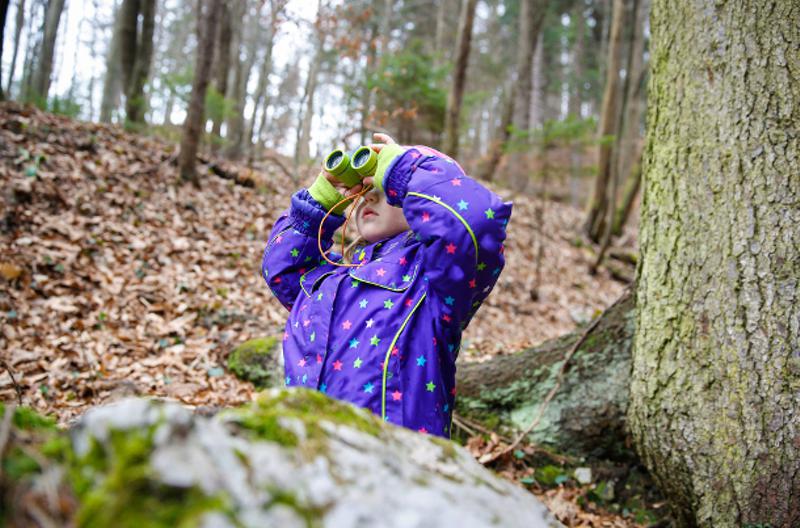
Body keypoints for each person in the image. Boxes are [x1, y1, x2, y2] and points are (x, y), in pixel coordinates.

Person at [261, 133, 512, 438]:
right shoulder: (332, 276)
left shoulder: (433, 281)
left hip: (395, 461)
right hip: (312, 456)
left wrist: (404, 168)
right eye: (365, 190)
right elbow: (282, 267)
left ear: (423, 204)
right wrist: (321, 199)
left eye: (385, 189)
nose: (370, 196)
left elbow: (473, 222)